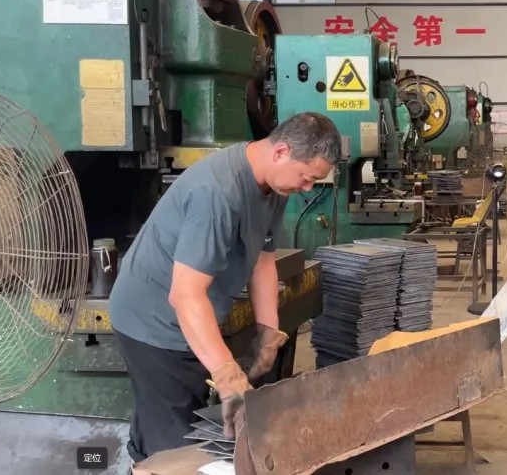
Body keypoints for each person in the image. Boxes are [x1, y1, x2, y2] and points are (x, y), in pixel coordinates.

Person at [108, 112, 342, 462]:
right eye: (307, 178)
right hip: (153, 321)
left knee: (192, 430)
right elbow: (185, 295)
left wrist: (268, 332)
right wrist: (226, 373)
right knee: (172, 448)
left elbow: (263, 260)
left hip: (194, 317)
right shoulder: (218, 192)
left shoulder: (274, 185)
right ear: (281, 152)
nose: (307, 188)